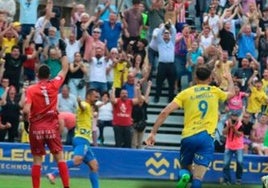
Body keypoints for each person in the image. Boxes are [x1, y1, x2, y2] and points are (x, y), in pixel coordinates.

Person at [145, 65, 235, 188]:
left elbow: (165, 112)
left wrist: (153, 133)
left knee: (185, 168)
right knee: (198, 178)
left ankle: (184, 175)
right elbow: (232, 93)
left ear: (195, 78)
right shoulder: (214, 91)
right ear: (209, 79)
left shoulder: (185, 93)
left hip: (188, 136)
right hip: (206, 137)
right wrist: (229, 78)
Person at [22, 44, 70, 188]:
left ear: (37, 75)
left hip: (36, 127)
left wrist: (26, 123)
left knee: (37, 161)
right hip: (51, 127)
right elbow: (65, 68)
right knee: (60, 158)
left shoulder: (31, 89)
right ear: (49, 75)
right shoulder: (54, 84)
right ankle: (66, 186)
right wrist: (64, 52)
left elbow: (25, 110)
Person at [47, 89, 100, 188]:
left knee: (94, 166)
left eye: (97, 97)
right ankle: (53, 174)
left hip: (85, 141)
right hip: (81, 138)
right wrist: (79, 102)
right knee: (77, 160)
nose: (96, 98)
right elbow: (82, 106)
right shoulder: (85, 105)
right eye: (95, 96)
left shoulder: (90, 107)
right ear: (88, 96)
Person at [221, 112, 244, 185]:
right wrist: (229, 126)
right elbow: (224, 133)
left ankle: (238, 179)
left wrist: (233, 127)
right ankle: (227, 180)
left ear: (237, 117)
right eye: (233, 116)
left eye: (235, 116)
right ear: (230, 116)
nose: (234, 118)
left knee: (240, 162)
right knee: (225, 164)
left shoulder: (240, 124)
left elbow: (239, 134)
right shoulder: (227, 123)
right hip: (229, 146)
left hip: (238, 146)